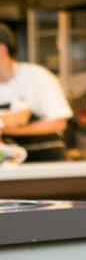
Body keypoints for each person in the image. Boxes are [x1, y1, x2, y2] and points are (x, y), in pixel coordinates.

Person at [0, 22, 72, 162]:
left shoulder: (37, 76)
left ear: (2, 48)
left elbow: (58, 122)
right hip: (11, 165)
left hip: (47, 164)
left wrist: (10, 130)